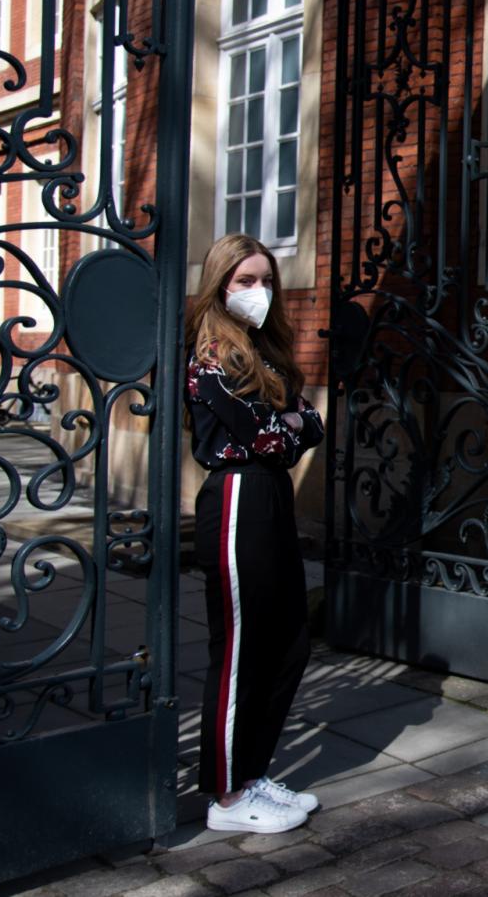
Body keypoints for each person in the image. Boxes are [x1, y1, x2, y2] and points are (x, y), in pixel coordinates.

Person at [184, 233, 325, 833]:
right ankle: (227, 796)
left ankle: (252, 773)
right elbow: (267, 435)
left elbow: (309, 424)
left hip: (271, 495)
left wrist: (289, 422)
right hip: (237, 496)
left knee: (290, 642)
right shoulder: (211, 355)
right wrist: (289, 422)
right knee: (241, 649)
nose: (258, 291)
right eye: (245, 281)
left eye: (266, 280)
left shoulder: (264, 353)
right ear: (220, 285)